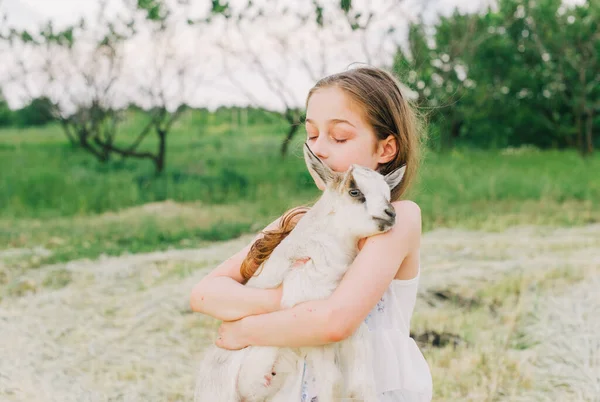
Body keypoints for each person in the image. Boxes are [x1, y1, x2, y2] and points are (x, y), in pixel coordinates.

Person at [189, 66, 433, 401]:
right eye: (312, 134)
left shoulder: (396, 220)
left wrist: (245, 329)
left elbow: (335, 321)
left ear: (385, 149)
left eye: (339, 137)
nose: (318, 148)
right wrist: (280, 299)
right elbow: (205, 293)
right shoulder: (295, 223)